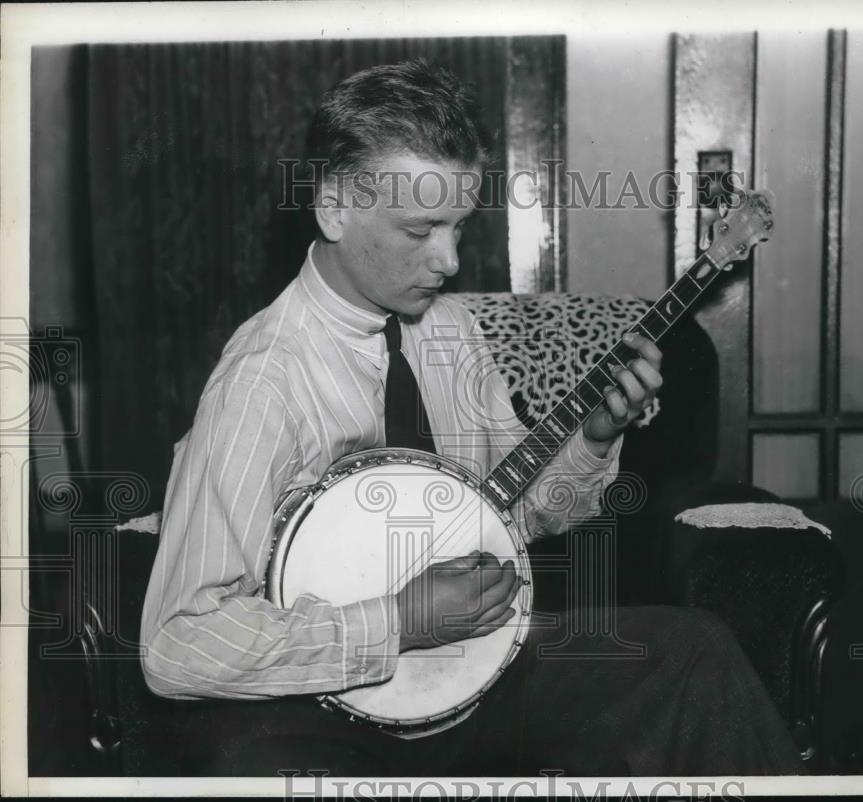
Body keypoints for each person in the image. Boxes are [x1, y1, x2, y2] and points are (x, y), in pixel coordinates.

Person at [140, 59, 803, 777]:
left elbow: (526, 512)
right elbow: (177, 643)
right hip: (327, 711)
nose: (450, 260)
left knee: (695, 654)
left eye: (458, 225)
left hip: (482, 674)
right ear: (333, 207)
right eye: (421, 229)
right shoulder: (264, 382)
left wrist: (594, 437)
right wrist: (400, 622)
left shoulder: (448, 330)